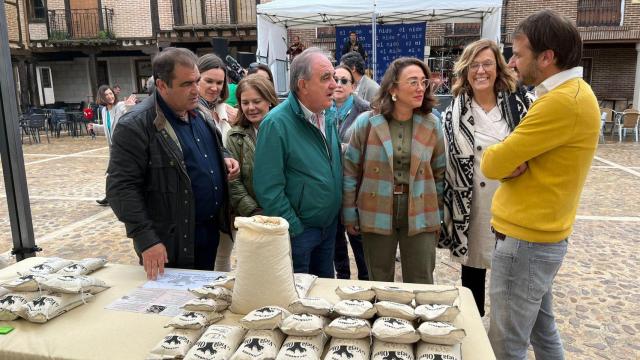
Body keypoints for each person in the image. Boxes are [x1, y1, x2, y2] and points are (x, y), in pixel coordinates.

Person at [481, 10, 600, 359]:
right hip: (537, 239)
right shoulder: (571, 95)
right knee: (542, 333)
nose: (512, 62)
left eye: (518, 53)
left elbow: (493, 161)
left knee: (507, 344)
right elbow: (508, 160)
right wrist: (507, 161)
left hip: (526, 243)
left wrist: (502, 161)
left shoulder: (561, 101)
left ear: (547, 57)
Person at [106, 47, 240, 280]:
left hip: (208, 234)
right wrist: (147, 240)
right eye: (187, 84)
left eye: (197, 81)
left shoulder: (199, 111)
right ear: (161, 85)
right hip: (169, 244)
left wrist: (224, 157)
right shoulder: (136, 125)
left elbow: (215, 146)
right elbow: (121, 189)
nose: (196, 89)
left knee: (202, 305)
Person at [439, 39, 531, 317]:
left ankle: (506, 332)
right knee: (473, 273)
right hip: (473, 203)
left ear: (498, 68)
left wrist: (525, 163)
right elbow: (445, 162)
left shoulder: (521, 105)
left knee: (509, 276)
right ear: (465, 71)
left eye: (487, 64)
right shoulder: (453, 113)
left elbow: (537, 145)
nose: (481, 71)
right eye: (474, 65)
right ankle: (475, 326)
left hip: (514, 198)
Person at [343, 57, 445, 284]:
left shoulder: (432, 124)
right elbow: (350, 171)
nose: (421, 88)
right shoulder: (366, 123)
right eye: (413, 82)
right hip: (375, 206)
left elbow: (439, 173)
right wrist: (350, 212)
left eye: (423, 82)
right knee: (379, 280)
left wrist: (437, 214)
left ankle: (423, 320)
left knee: (421, 281)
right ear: (393, 88)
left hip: (420, 209)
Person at [253, 48, 342, 278]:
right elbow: (268, 188)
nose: (334, 84)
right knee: (299, 301)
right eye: (326, 78)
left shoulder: (328, 114)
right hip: (300, 232)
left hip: (328, 227)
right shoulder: (276, 124)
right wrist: (295, 228)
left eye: (333, 76)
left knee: (322, 293)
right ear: (303, 85)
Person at [331, 65, 370, 280]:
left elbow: (367, 149)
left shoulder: (365, 111)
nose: (338, 84)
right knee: (337, 244)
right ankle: (343, 279)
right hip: (332, 187)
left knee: (359, 243)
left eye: (344, 81)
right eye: (334, 79)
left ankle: (365, 284)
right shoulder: (323, 108)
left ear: (353, 86)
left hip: (356, 187)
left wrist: (340, 148)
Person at [226, 75, 279, 217]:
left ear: (269, 100)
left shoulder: (286, 130)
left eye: (257, 101)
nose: (251, 108)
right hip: (253, 219)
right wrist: (254, 212)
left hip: (287, 215)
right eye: (245, 103)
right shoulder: (235, 137)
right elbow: (234, 183)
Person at [89, 85, 135, 206]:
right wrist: (95, 127)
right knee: (113, 173)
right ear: (102, 98)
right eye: (106, 95)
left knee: (123, 173)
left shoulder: (119, 106)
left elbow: (129, 116)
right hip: (114, 148)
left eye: (111, 93)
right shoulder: (104, 111)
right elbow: (108, 129)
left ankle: (123, 197)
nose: (110, 96)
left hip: (125, 147)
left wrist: (130, 106)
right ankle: (111, 196)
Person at [197, 54, 238, 144]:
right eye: (209, 81)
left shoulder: (228, 111)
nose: (214, 88)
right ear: (196, 79)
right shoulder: (188, 112)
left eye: (219, 83)